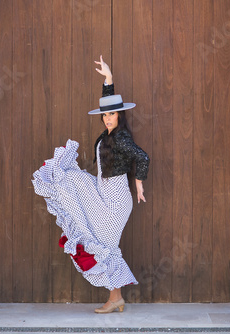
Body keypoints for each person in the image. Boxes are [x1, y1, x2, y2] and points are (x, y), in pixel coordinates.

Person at [32, 55, 150, 314]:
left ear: (120, 116)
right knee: (69, 178)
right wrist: (108, 79)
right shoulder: (108, 135)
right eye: (105, 114)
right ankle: (116, 298)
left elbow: (142, 157)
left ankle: (115, 298)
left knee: (105, 247)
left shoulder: (121, 139)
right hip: (101, 190)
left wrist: (139, 184)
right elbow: (108, 104)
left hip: (117, 199)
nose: (108, 119)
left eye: (113, 114)